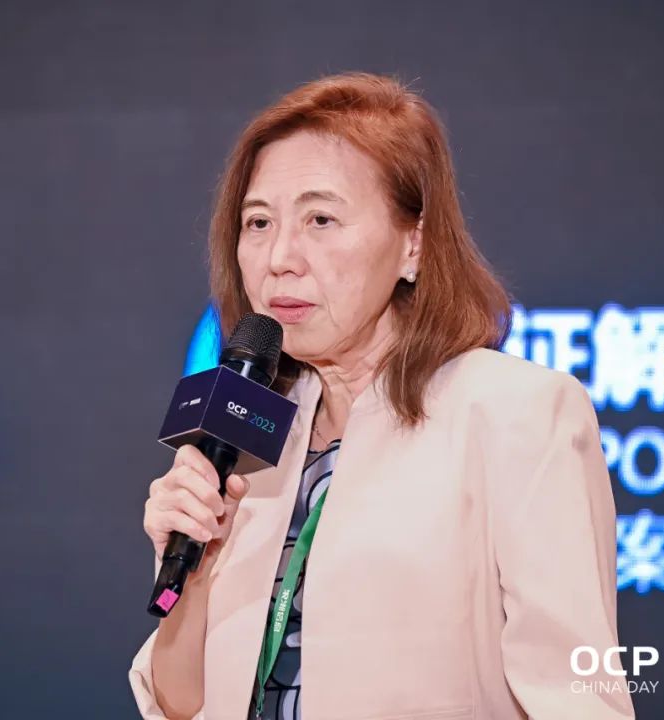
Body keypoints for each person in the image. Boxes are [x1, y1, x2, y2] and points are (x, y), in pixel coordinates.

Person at [131, 72, 635, 719]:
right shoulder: (248, 434)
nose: (280, 256)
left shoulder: (516, 413)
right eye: (258, 222)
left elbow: (579, 700)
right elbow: (179, 704)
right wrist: (194, 575)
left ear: (412, 245)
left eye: (320, 219)